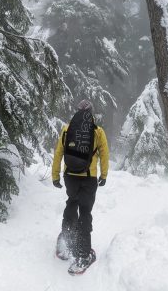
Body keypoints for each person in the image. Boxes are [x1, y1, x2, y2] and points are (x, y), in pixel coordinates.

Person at [52, 99, 109, 274]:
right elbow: (104, 155)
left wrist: (55, 176)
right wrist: (104, 175)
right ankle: (83, 255)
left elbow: (58, 153)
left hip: (70, 177)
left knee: (72, 203)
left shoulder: (67, 129)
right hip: (89, 178)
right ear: (91, 113)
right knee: (85, 211)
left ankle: (65, 244)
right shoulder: (98, 131)